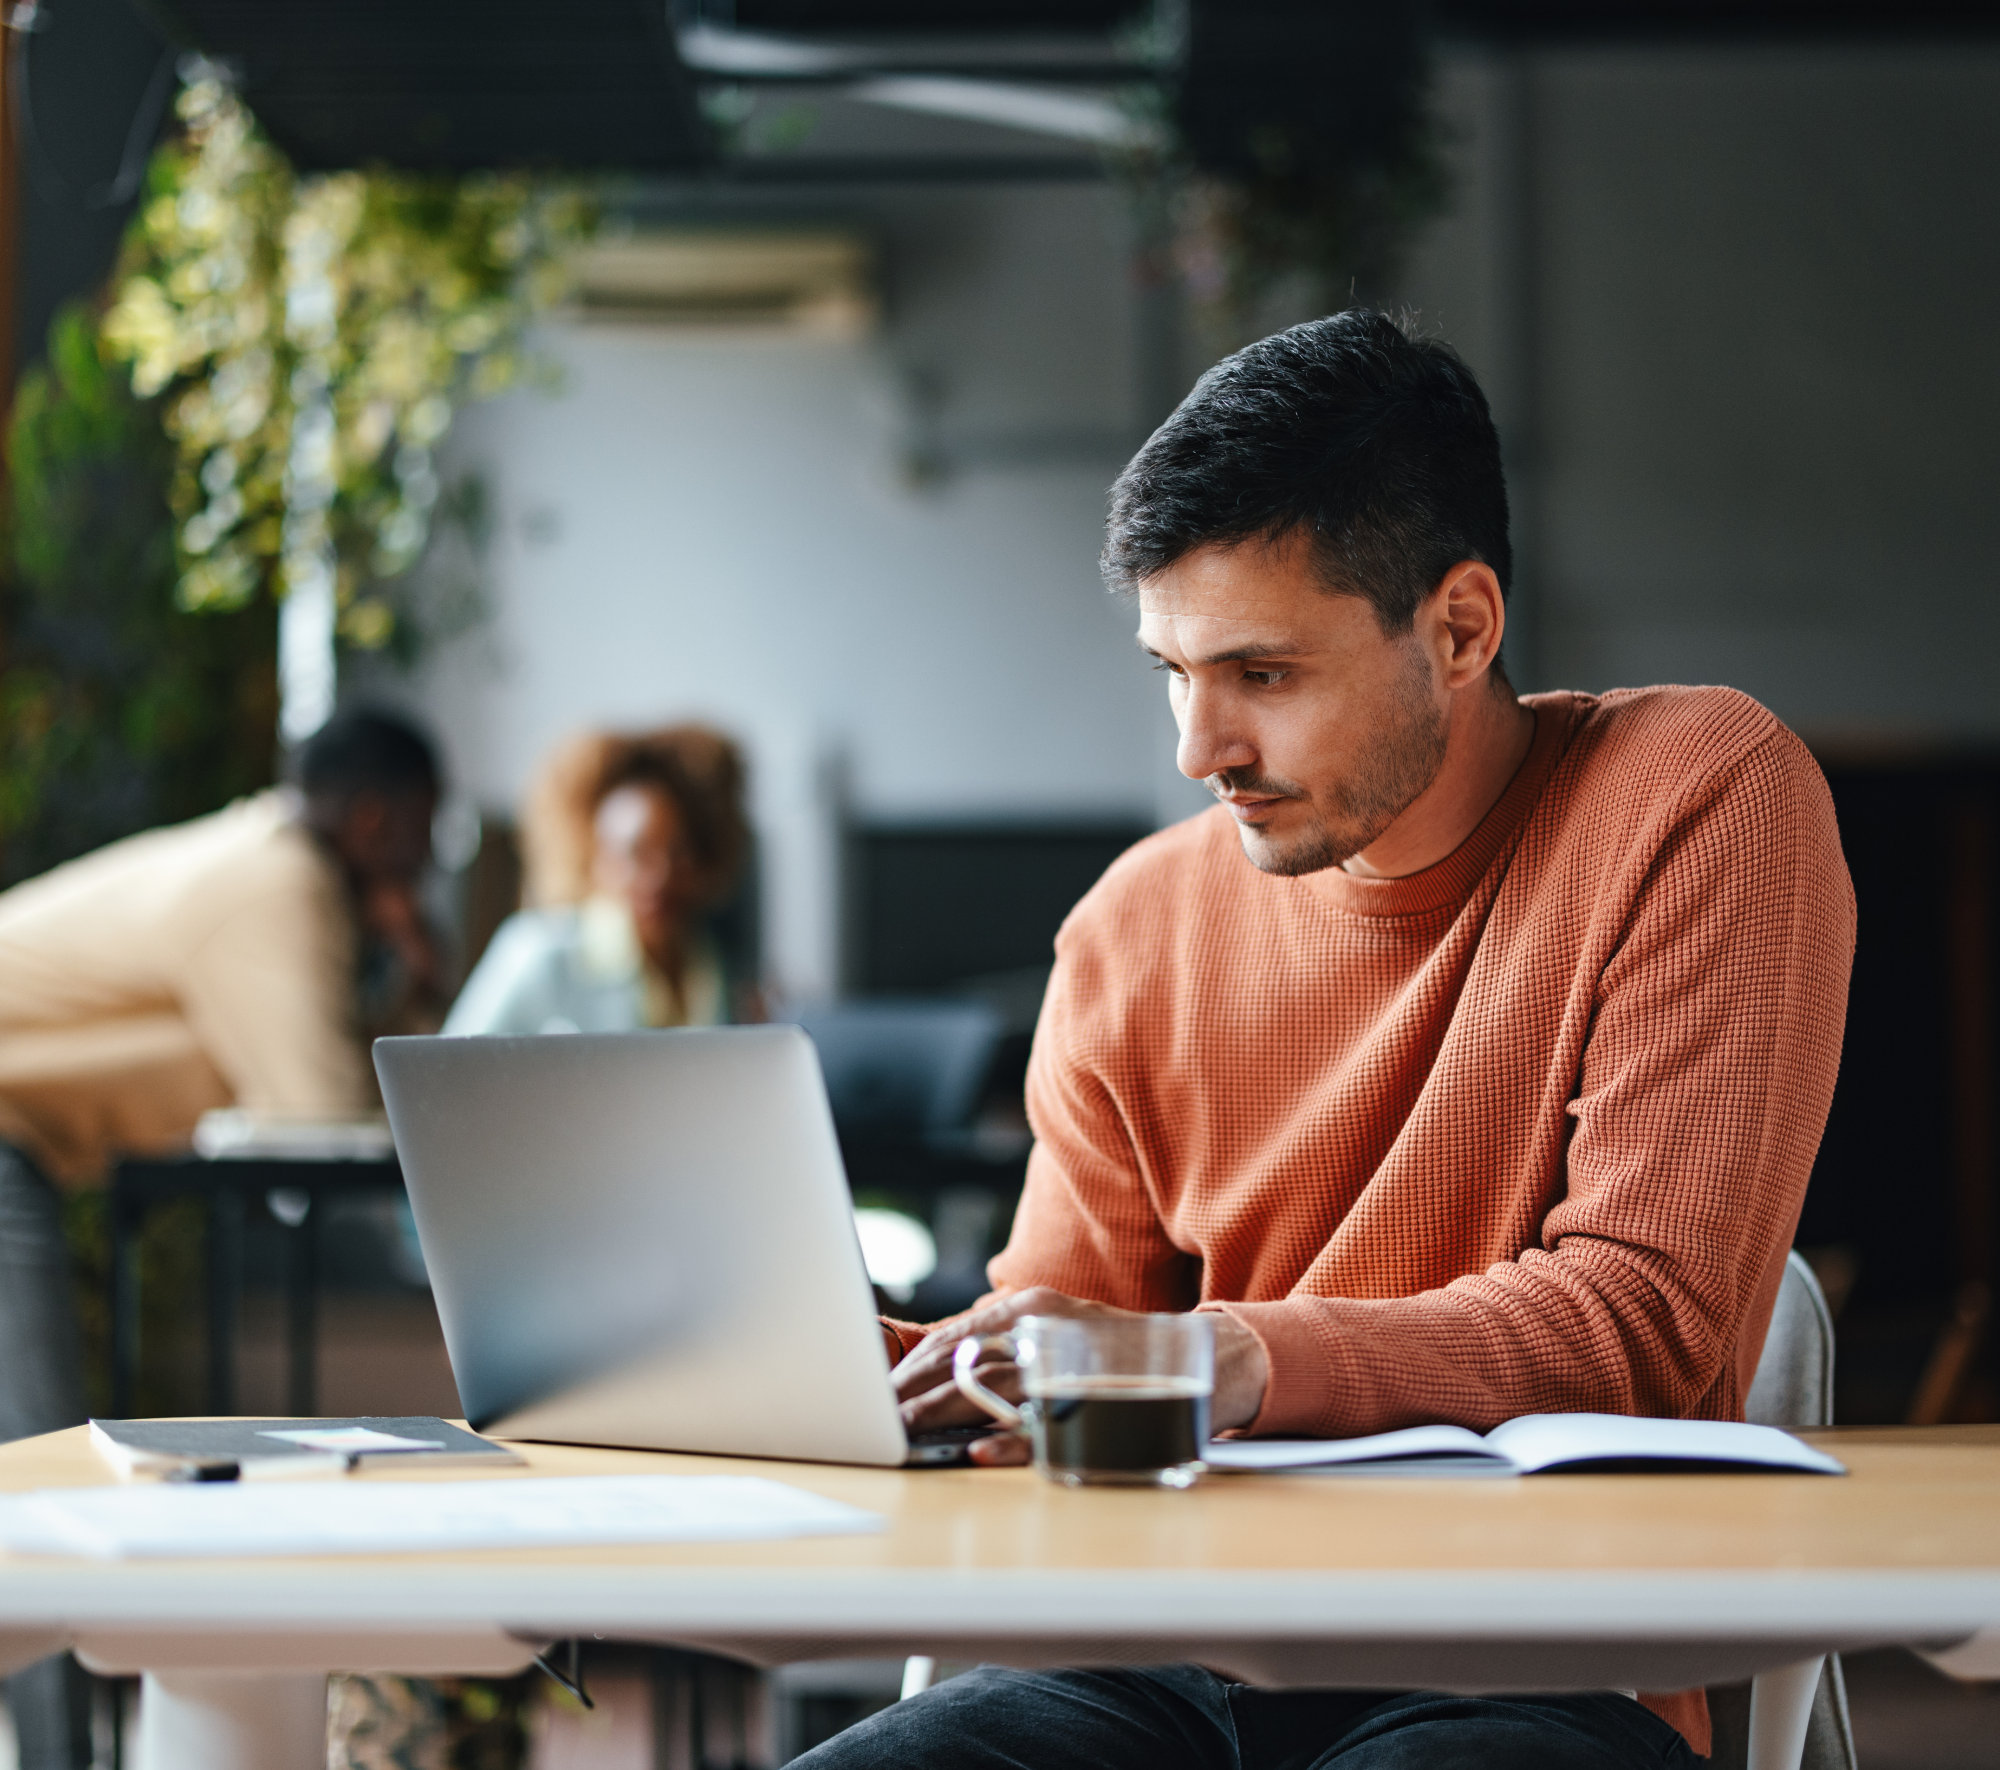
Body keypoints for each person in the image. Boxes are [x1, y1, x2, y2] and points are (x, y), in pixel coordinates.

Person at [804, 312, 1855, 1770]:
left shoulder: (1695, 799)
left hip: (1524, 1670)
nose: (1196, 745)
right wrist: (861, 1368)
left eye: (1262, 673)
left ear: (1461, 627)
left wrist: (1221, 1357)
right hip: (1144, 1667)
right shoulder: (1133, 925)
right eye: (1172, 668)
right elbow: (1056, 1370)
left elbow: (1642, 1322)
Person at [0, 705, 442, 1770]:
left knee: (36, 1470)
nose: (430, 859)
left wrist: (404, 972)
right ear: (379, 818)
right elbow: (325, 1109)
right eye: (428, 828)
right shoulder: (277, 884)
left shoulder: (263, 864)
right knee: (39, 1481)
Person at [444, 724, 750, 1036]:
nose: (660, 875)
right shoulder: (536, 953)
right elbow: (443, 1073)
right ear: (593, 859)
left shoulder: (712, 961)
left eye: (680, 852)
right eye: (636, 854)